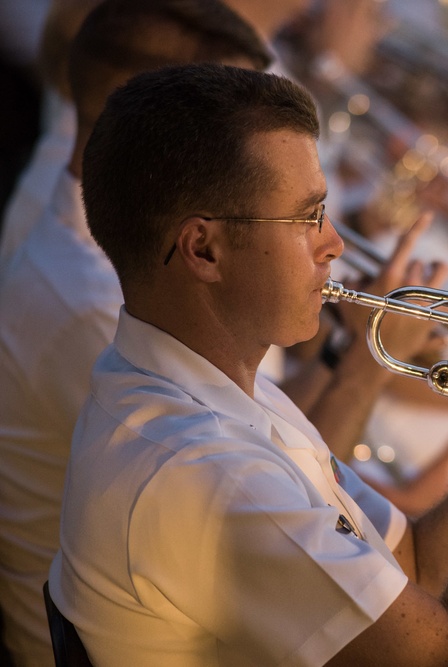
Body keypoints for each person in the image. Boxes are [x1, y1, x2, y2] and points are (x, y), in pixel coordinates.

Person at [48, 61, 448, 665]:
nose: (335, 243)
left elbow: (417, 568)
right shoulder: (206, 469)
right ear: (203, 248)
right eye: (308, 217)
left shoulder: (217, 390)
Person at [0, 3, 272, 665]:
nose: (255, 156)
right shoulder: (98, 308)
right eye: (234, 131)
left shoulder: (113, 241)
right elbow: (259, 523)